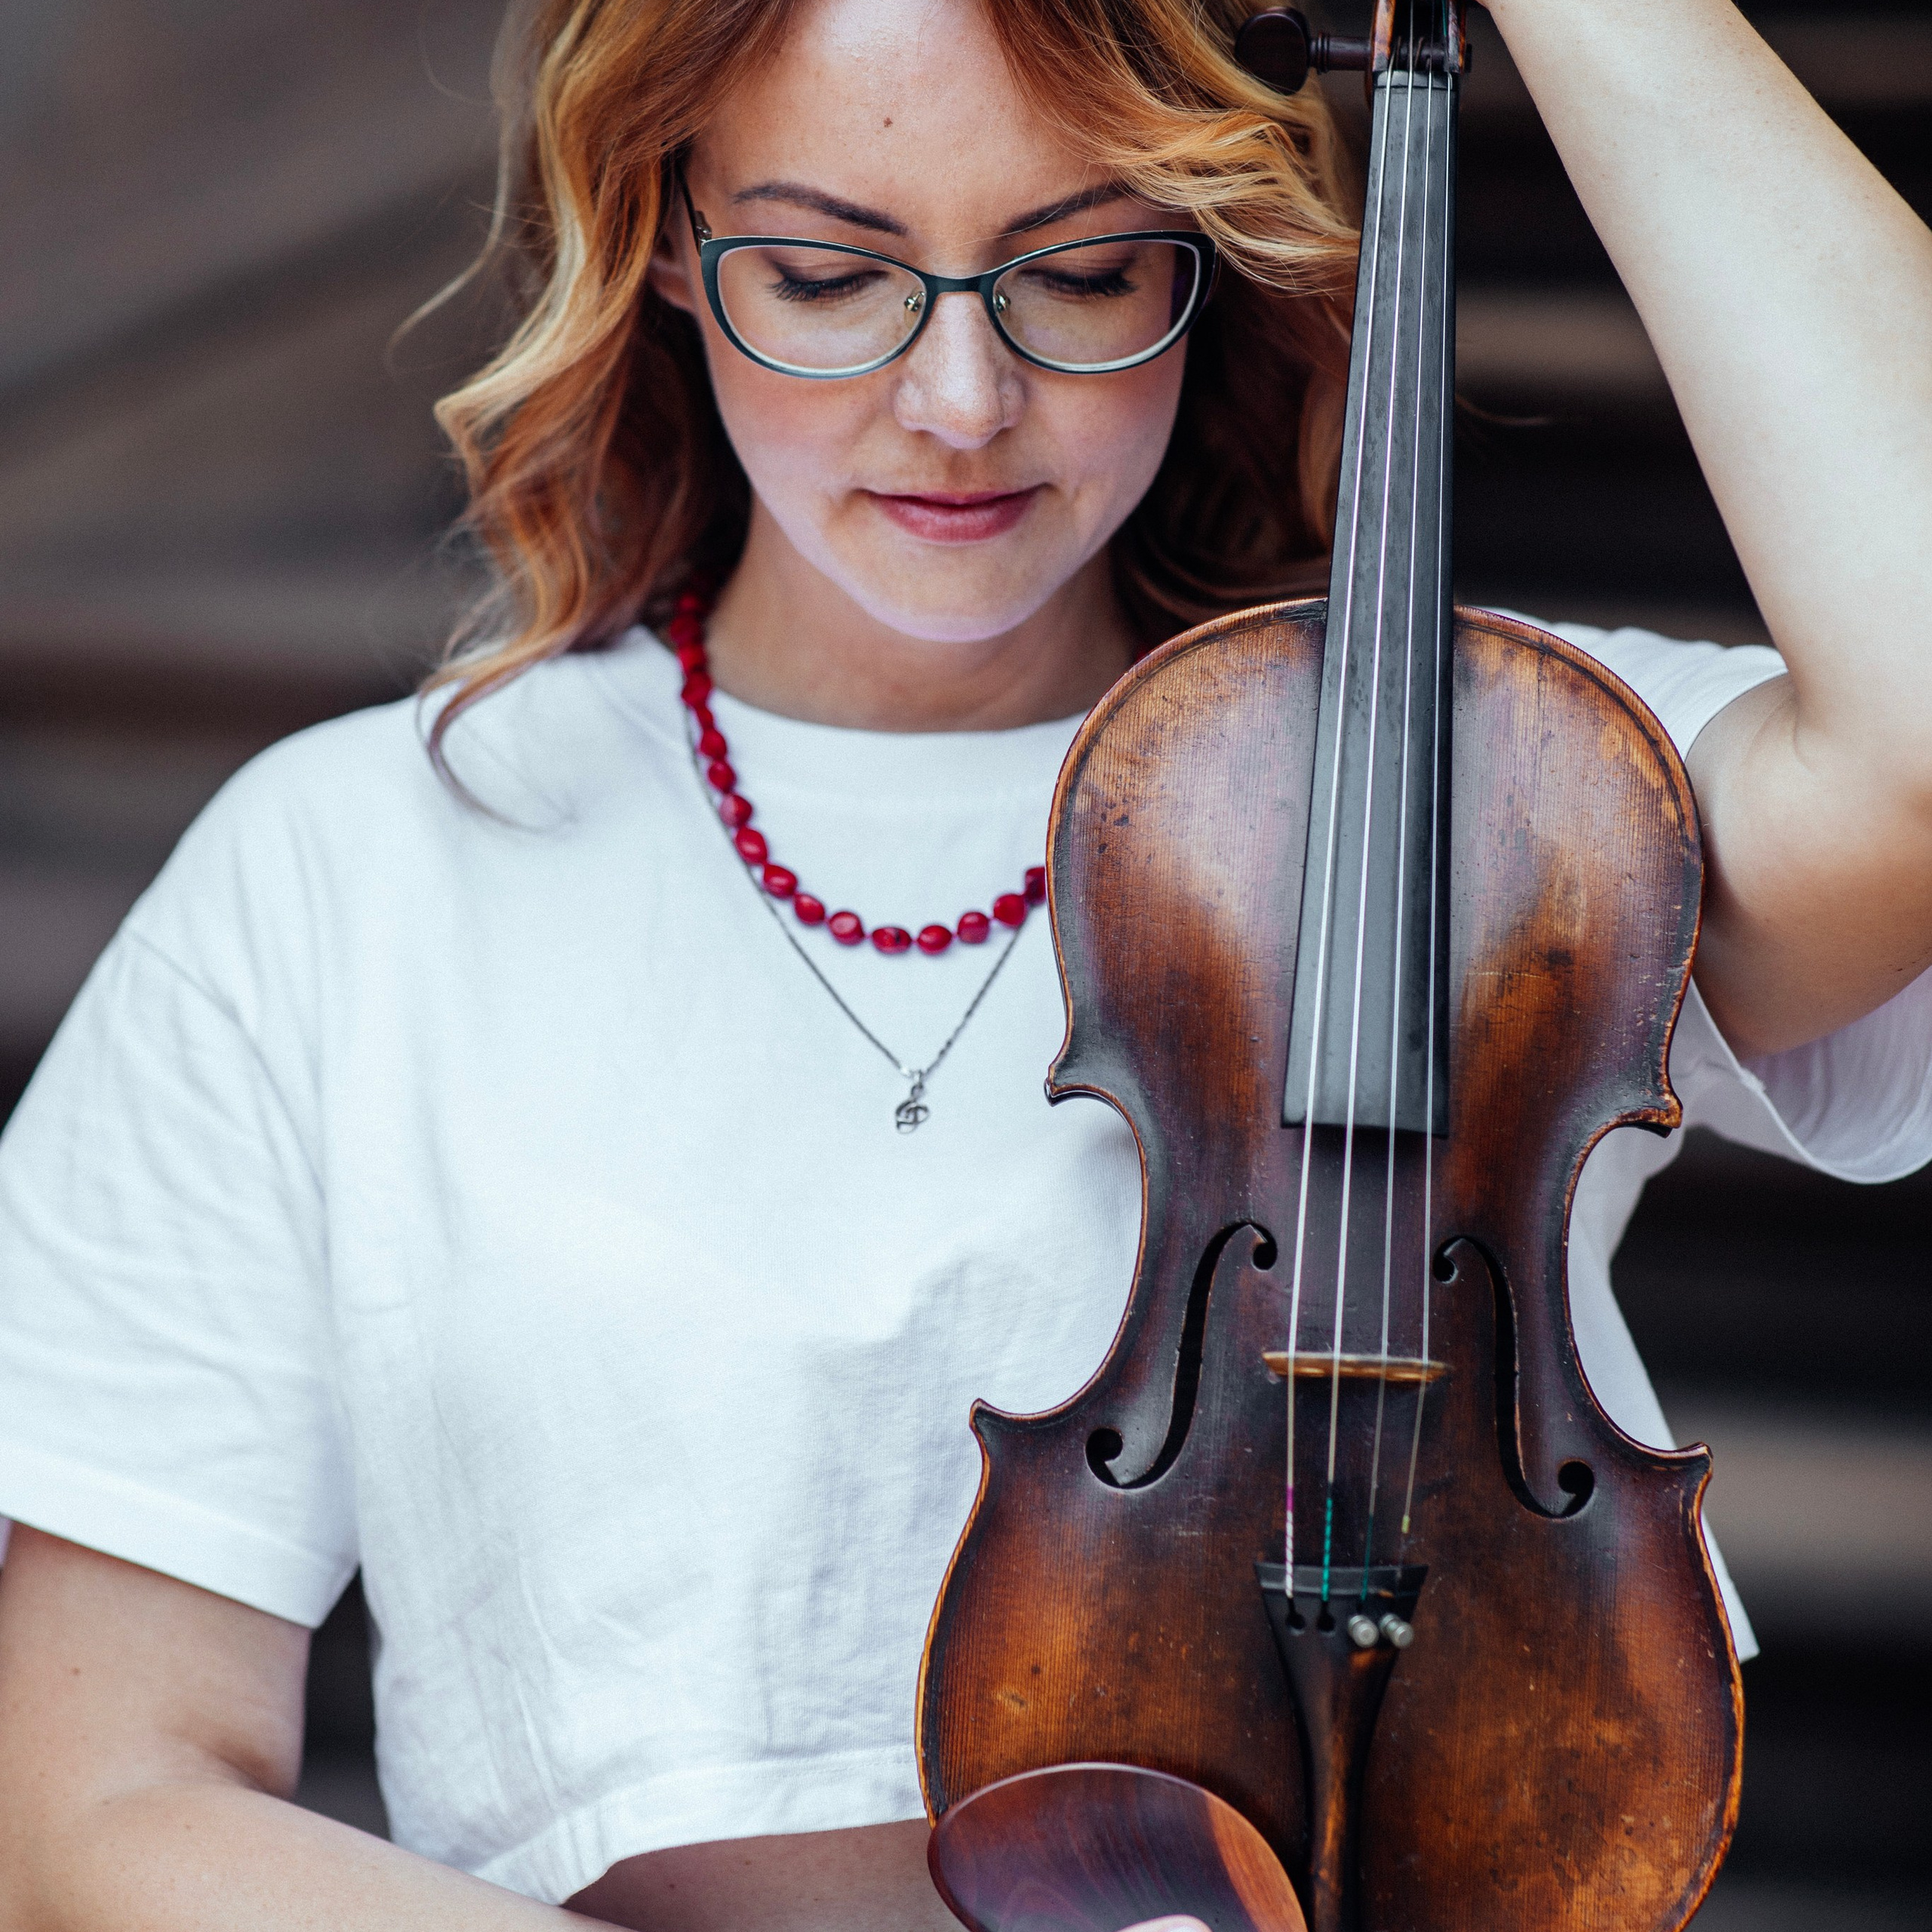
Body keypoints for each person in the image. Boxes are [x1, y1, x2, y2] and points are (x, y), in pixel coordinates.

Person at [0, 0, 1928, 1927]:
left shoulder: (1485, 788)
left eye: (1080, 271)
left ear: (1205, 254)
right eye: (827, 273)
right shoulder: (350, 866)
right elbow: (92, 1805)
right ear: (663, 234)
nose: (955, 399)